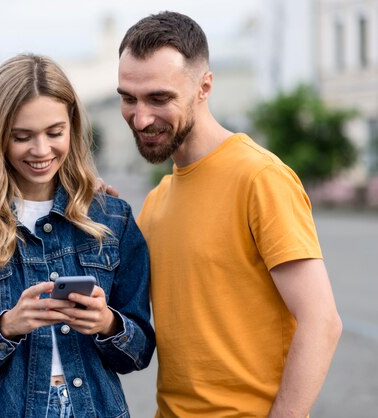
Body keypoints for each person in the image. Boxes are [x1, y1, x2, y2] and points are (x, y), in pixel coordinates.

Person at [116, 11, 343, 418]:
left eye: (159, 98)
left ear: (204, 87)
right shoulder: (157, 200)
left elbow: (321, 322)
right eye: (128, 98)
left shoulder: (260, 177)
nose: (141, 117)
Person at [0, 53, 155, 418]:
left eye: (54, 133)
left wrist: (107, 323)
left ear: (72, 128)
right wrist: (6, 327)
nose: (41, 150)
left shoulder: (112, 217)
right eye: (22, 137)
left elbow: (139, 352)